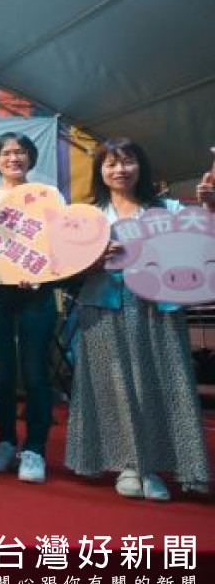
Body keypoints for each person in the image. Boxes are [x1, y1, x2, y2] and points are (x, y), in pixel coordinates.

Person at [65, 137, 210, 501]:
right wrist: (96, 258)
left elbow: (202, 246)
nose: (120, 170)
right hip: (104, 307)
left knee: (163, 382)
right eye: (111, 163)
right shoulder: (89, 216)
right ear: (100, 172)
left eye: (127, 161)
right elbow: (66, 267)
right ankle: (129, 464)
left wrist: (209, 207)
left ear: (141, 167)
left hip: (156, 308)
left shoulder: (170, 208)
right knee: (113, 386)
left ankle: (158, 465)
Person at [0, 133, 58, 483]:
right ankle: (5, 441)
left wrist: (40, 273)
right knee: (1, 373)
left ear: (31, 158)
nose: (13, 158)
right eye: (6, 153)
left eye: (20, 152)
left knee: (35, 374)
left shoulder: (47, 196)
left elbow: (57, 243)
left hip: (35, 290)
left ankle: (34, 448)